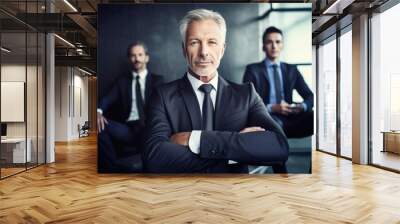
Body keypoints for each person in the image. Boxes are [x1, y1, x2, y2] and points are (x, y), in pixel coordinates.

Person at [142, 9, 289, 173]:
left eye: (212, 42)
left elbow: (279, 146)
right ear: (184, 49)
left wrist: (196, 139)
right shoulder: (162, 96)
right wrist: (238, 151)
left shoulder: (246, 94)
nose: (204, 52)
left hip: (234, 194)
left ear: (223, 49)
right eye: (194, 42)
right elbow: (154, 158)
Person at [97, 41, 164, 172]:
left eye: (140, 54)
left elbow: (162, 108)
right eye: (133, 55)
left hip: (148, 128)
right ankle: (112, 169)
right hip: (127, 129)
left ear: (146, 57)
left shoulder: (158, 80)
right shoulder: (121, 81)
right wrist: (98, 111)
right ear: (129, 59)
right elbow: (107, 99)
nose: (137, 59)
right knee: (99, 124)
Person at [243, 26, 314, 138]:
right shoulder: (253, 70)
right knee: (276, 125)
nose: (274, 46)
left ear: (282, 45)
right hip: (266, 115)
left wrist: (302, 106)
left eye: (278, 42)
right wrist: (272, 107)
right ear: (263, 46)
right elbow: (246, 103)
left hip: (290, 116)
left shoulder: (291, 70)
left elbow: (310, 96)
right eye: (269, 42)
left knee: (314, 118)